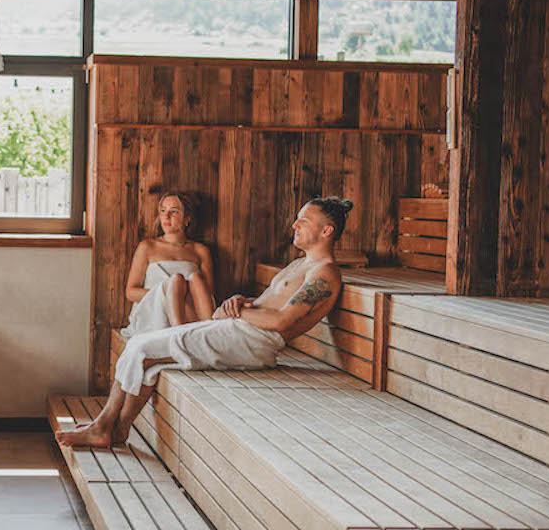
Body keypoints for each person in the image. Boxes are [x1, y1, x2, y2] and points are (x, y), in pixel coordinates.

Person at [57, 197, 353, 449]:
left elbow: (282, 321)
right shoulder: (301, 264)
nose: (294, 225)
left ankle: (102, 427)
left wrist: (235, 313)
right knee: (151, 357)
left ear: (326, 230)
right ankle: (119, 428)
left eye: (303, 220)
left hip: (255, 341)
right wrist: (240, 301)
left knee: (142, 348)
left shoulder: (324, 273)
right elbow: (270, 303)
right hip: (242, 330)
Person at [120, 192, 215, 338]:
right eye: (163, 211)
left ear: (187, 219)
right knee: (176, 281)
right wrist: (165, 293)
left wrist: (182, 295)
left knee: (195, 278)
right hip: (155, 312)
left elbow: (208, 294)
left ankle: (210, 333)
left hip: (190, 312)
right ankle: (178, 336)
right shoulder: (147, 247)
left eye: (174, 211)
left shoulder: (200, 251)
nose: (166, 216)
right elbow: (130, 292)